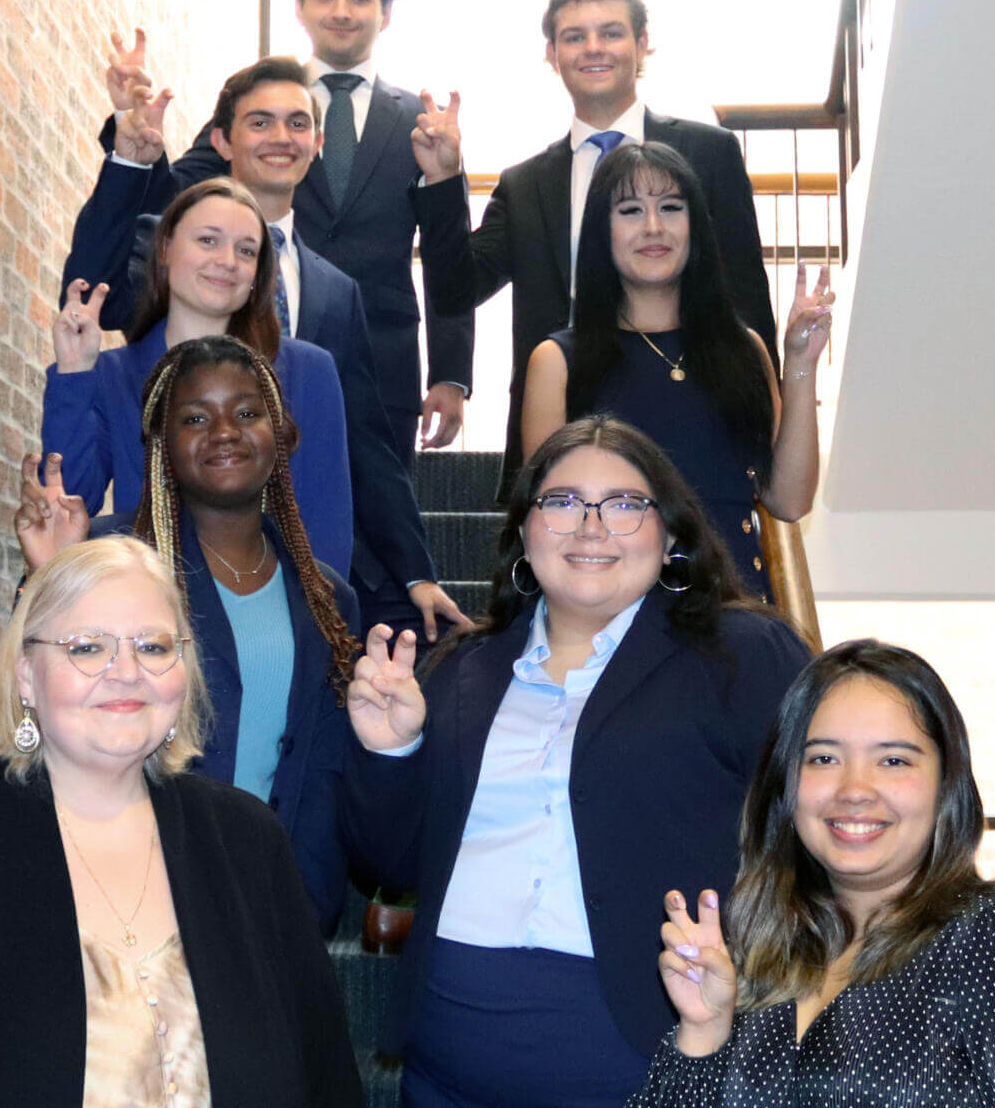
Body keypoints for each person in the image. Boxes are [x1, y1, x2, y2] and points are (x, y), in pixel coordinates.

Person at [0, 536, 363, 1105]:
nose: (126, 671)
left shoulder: (246, 838)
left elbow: (325, 1071)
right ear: (25, 677)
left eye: (154, 646)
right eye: (87, 647)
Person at [341, 417, 810, 1106]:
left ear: (671, 533)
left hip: (645, 1066)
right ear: (524, 537)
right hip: (446, 1068)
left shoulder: (744, 655)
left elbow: (816, 834)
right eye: (561, 502)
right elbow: (393, 867)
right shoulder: (461, 670)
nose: (591, 527)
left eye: (624, 504)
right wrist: (393, 753)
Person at [61, 55, 469, 643]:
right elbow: (88, 292)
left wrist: (415, 570)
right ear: (223, 140)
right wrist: (129, 161)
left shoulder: (336, 290)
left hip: (294, 576)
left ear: (319, 142)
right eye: (260, 123)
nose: (281, 138)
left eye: (298, 124)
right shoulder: (171, 249)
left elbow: (367, 445)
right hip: (163, 571)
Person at [20, 335, 359, 937]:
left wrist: (306, 897)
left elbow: (324, 772)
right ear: (162, 445)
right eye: (195, 418)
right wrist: (51, 577)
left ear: (279, 435)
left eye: (248, 413)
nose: (224, 430)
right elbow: (38, 704)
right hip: (134, 897)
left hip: (280, 905)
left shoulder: (328, 598)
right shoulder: (108, 556)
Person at [632, 639, 995, 1106]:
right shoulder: (752, 951)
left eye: (893, 760)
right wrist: (703, 1032)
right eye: (824, 759)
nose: (855, 789)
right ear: (786, 784)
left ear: (946, 785)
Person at [415, 0, 776, 500]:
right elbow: (455, 288)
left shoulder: (710, 154)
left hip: (693, 408)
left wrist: (765, 420)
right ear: (551, 54)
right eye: (574, 36)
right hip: (564, 422)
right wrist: (444, 180)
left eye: (610, 32)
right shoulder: (527, 184)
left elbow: (745, 293)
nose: (593, 48)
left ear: (642, 44)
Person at [127, 0, 476, 468]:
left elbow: (449, 261)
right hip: (254, 342)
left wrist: (449, 374)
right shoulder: (259, 103)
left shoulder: (419, 121)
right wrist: (139, 150)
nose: (340, 11)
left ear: (384, 15)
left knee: (372, 526)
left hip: (381, 367)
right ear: (301, 9)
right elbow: (175, 197)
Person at [521, 142, 834, 599]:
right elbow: (550, 525)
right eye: (630, 211)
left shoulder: (743, 348)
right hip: (617, 624)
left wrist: (801, 364)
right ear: (600, 232)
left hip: (739, 618)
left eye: (671, 208)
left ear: (695, 227)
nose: (653, 227)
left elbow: (789, 500)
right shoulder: (556, 361)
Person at [42, 174, 356, 577]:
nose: (228, 260)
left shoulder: (308, 372)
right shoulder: (112, 374)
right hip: (150, 607)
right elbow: (69, 506)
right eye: (208, 240)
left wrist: (317, 624)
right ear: (166, 247)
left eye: (246, 251)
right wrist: (72, 374)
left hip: (270, 607)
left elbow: (326, 525)